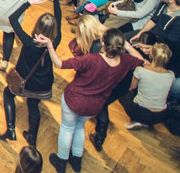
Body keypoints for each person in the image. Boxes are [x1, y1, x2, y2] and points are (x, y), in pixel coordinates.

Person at [38, 28, 145, 173]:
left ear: (102, 43)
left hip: (74, 100)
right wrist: (127, 46)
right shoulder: (125, 61)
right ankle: (77, 160)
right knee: (79, 128)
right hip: (95, 106)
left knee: (67, 129)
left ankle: (61, 161)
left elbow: (59, 64)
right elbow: (143, 61)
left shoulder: (91, 59)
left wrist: (50, 45)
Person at [0, 0, 63, 147]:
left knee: (8, 95)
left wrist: (30, 3)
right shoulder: (54, 42)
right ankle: (32, 137)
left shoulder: (28, 42)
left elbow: (13, 18)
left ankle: (11, 130)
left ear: (37, 27)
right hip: (42, 85)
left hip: (23, 81)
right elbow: (59, 19)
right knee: (33, 104)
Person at [118, 42, 175, 130]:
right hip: (160, 116)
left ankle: (136, 120)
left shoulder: (140, 71)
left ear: (151, 55)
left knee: (121, 91)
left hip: (140, 112)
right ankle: (145, 123)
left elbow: (132, 88)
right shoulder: (171, 75)